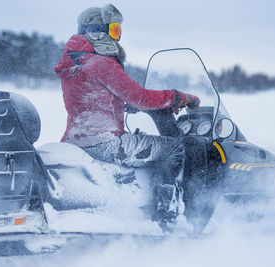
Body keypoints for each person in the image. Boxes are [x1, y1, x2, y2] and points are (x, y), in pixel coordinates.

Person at [55, 4, 200, 229]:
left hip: (75, 140)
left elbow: (93, 99)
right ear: (97, 32)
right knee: (173, 148)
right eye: (114, 31)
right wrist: (178, 97)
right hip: (105, 143)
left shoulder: (75, 64)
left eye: (118, 32)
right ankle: (167, 216)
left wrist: (123, 106)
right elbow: (139, 97)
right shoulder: (101, 63)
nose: (118, 38)